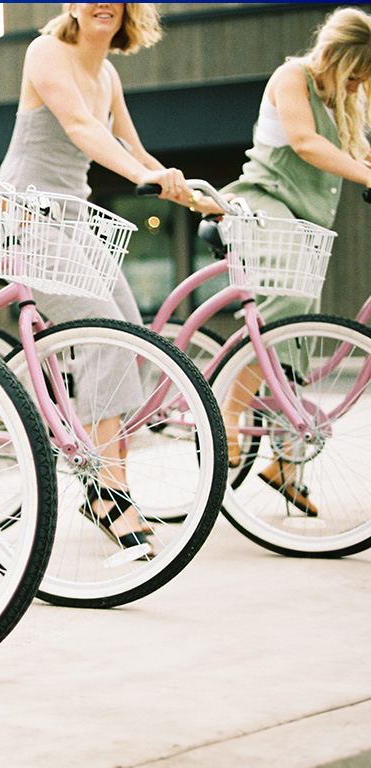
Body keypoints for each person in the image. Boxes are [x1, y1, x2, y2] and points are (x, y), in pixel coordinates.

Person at [0, 3, 217, 558]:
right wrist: (144, 177)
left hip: (74, 221)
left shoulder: (107, 73)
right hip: (25, 216)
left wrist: (191, 192)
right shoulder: (46, 51)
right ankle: (109, 491)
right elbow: (82, 128)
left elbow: (136, 151)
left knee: (129, 334)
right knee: (104, 330)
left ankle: (106, 474)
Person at [217, 5, 371, 515]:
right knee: (284, 305)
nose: (357, 90)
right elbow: (303, 143)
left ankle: (285, 462)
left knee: (296, 334)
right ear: (337, 58)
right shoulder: (292, 76)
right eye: (356, 78)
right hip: (262, 201)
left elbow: (362, 153)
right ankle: (229, 413)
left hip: (304, 221)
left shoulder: (344, 98)